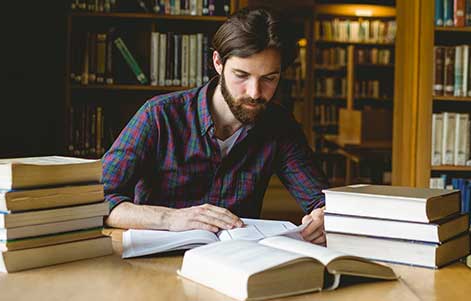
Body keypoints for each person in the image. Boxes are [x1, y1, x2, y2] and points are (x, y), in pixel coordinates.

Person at [102, 8, 329, 244]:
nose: (254, 92)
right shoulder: (159, 115)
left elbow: (320, 201)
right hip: (157, 261)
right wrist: (171, 218)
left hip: (236, 265)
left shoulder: (280, 126)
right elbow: (98, 200)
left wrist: (324, 217)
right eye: (241, 75)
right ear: (218, 62)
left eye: (269, 78)